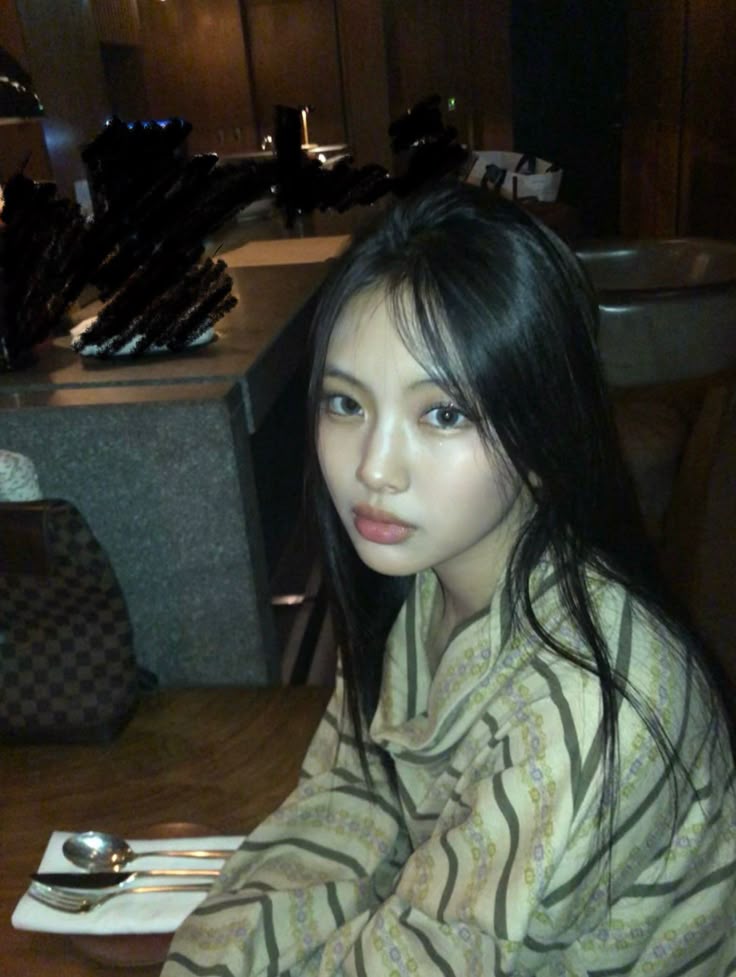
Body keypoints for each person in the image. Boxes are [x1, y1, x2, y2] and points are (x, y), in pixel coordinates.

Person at [162, 181, 736, 977]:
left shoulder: (585, 706)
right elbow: (348, 799)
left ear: (544, 432)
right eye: (345, 402)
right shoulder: (424, 583)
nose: (374, 468)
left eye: (442, 413)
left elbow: (433, 953)